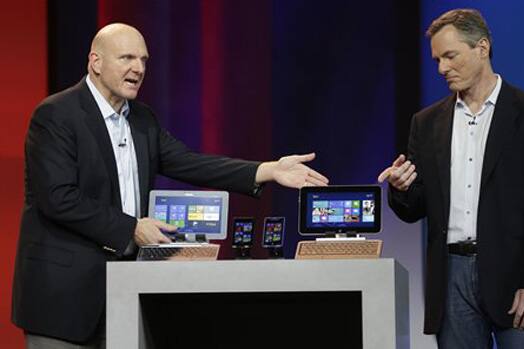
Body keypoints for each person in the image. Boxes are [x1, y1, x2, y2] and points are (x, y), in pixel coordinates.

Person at [12, 23, 329, 348]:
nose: (138, 68)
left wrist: (266, 170)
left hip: (124, 294)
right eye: (127, 58)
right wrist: (132, 228)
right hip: (63, 300)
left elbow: (190, 162)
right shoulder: (56, 115)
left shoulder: (142, 119)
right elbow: (58, 198)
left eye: (144, 60)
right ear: (96, 62)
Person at [377, 9, 524, 349]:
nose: (441, 68)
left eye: (450, 56)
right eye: (436, 59)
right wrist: (401, 188)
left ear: (482, 47)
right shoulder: (427, 122)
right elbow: (414, 208)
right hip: (450, 279)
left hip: (515, 278)